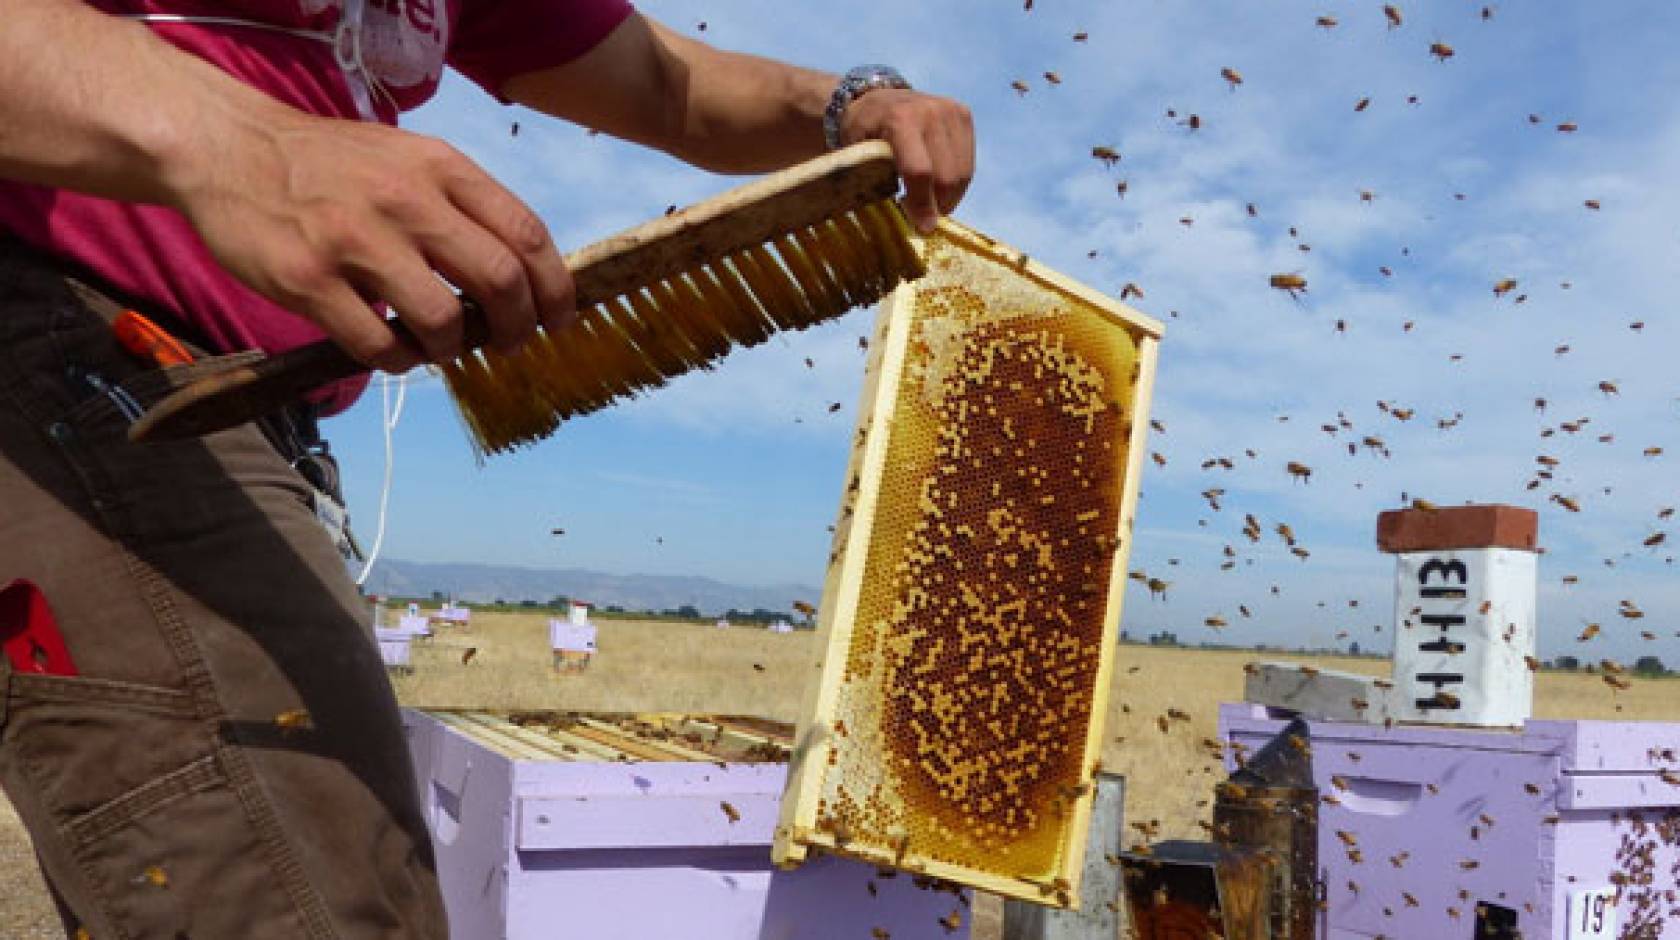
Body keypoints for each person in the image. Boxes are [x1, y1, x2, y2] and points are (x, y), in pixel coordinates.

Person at [0, 1, 975, 937]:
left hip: (247, 414)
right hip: (65, 344)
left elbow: (665, 86)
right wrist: (236, 145)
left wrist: (851, 102)